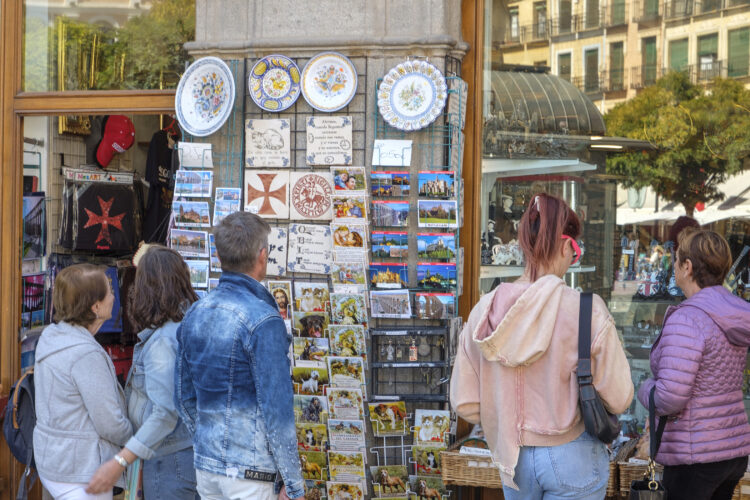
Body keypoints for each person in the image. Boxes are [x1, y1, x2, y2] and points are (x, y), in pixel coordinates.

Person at [450, 193, 633, 499]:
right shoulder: (587, 310)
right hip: (574, 453)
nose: (574, 257)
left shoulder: (485, 310)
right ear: (565, 246)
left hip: (514, 460)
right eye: (576, 251)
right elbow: (619, 398)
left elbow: (466, 403)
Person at [175, 212, 304, 500]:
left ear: (219, 256)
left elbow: (183, 396)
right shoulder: (263, 319)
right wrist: (293, 485)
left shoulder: (196, 312)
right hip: (250, 471)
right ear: (262, 255)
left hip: (208, 468)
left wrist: (208, 440)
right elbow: (278, 411)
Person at [637, 229, 750, 500]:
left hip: (695, 452)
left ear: (687, 267)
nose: (674, 267)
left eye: (676, 260)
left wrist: (644, 388)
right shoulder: (735, 311)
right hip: (731, 450)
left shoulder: (687, 319)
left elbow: (670, 397)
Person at [88, 246, 200, 499]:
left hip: (169, 460)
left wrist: (121, 460)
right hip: (180, 455)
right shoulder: (188, 323)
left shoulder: (163, 341)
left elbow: (165, 413)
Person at [33, 264, 133, 500]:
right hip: (80, 471)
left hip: (56, 463)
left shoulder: (52, 337)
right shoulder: (85, 355)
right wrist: (138, 439)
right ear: (95, 307)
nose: (113, 295)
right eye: (109, 291)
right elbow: (110, 423)